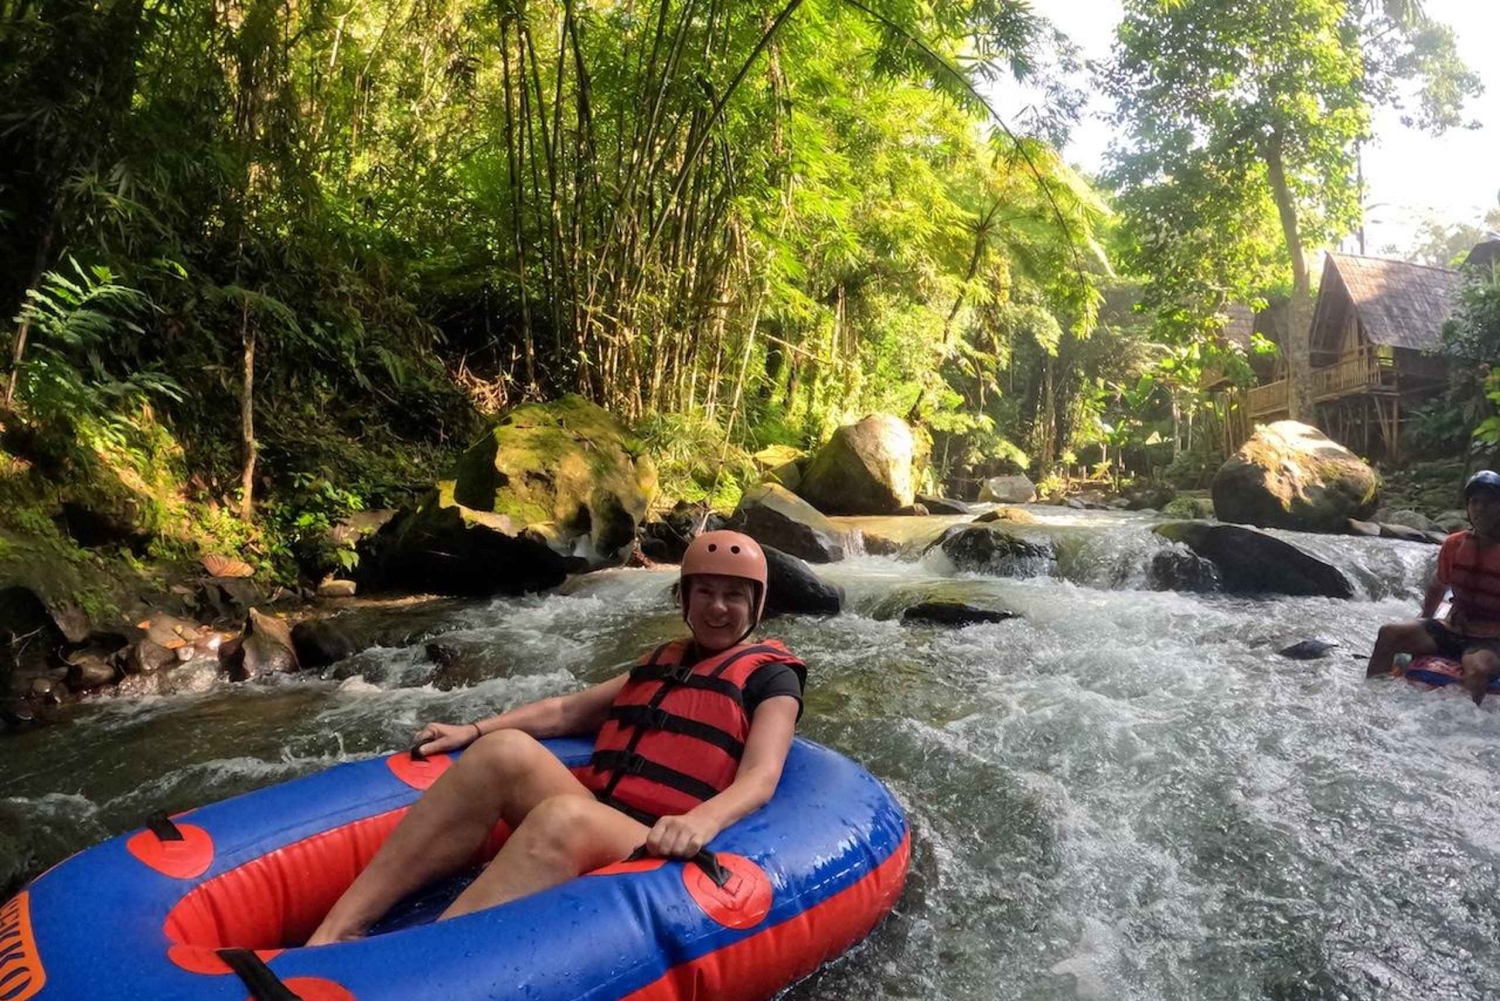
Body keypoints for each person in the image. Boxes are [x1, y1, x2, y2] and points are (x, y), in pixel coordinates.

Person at [307, 531, 805, 944]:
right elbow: (565, 711)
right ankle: (336, 931)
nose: (718, 607)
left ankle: (414, 963)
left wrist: (701, 820)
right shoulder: (665, 661)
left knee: (566, 816)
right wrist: (474, 729)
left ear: (755, 604)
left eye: (734, 595)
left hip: (666, 843)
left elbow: (761, 776)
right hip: (608, 817)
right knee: (501, 750)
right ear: (686, 597)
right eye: (706, 592)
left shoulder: (771, 679)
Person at [1366, 470, 1500, 704]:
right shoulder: (1454, 544)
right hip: (1455, 627)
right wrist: (1424, 621)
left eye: (1489, 503)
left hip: (1492, 637)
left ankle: (1465, 734)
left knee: (1476, 670)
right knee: (1388, 633)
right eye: (1475, 502)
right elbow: (1438, 586)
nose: (1480, 509)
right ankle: (1370, 703)